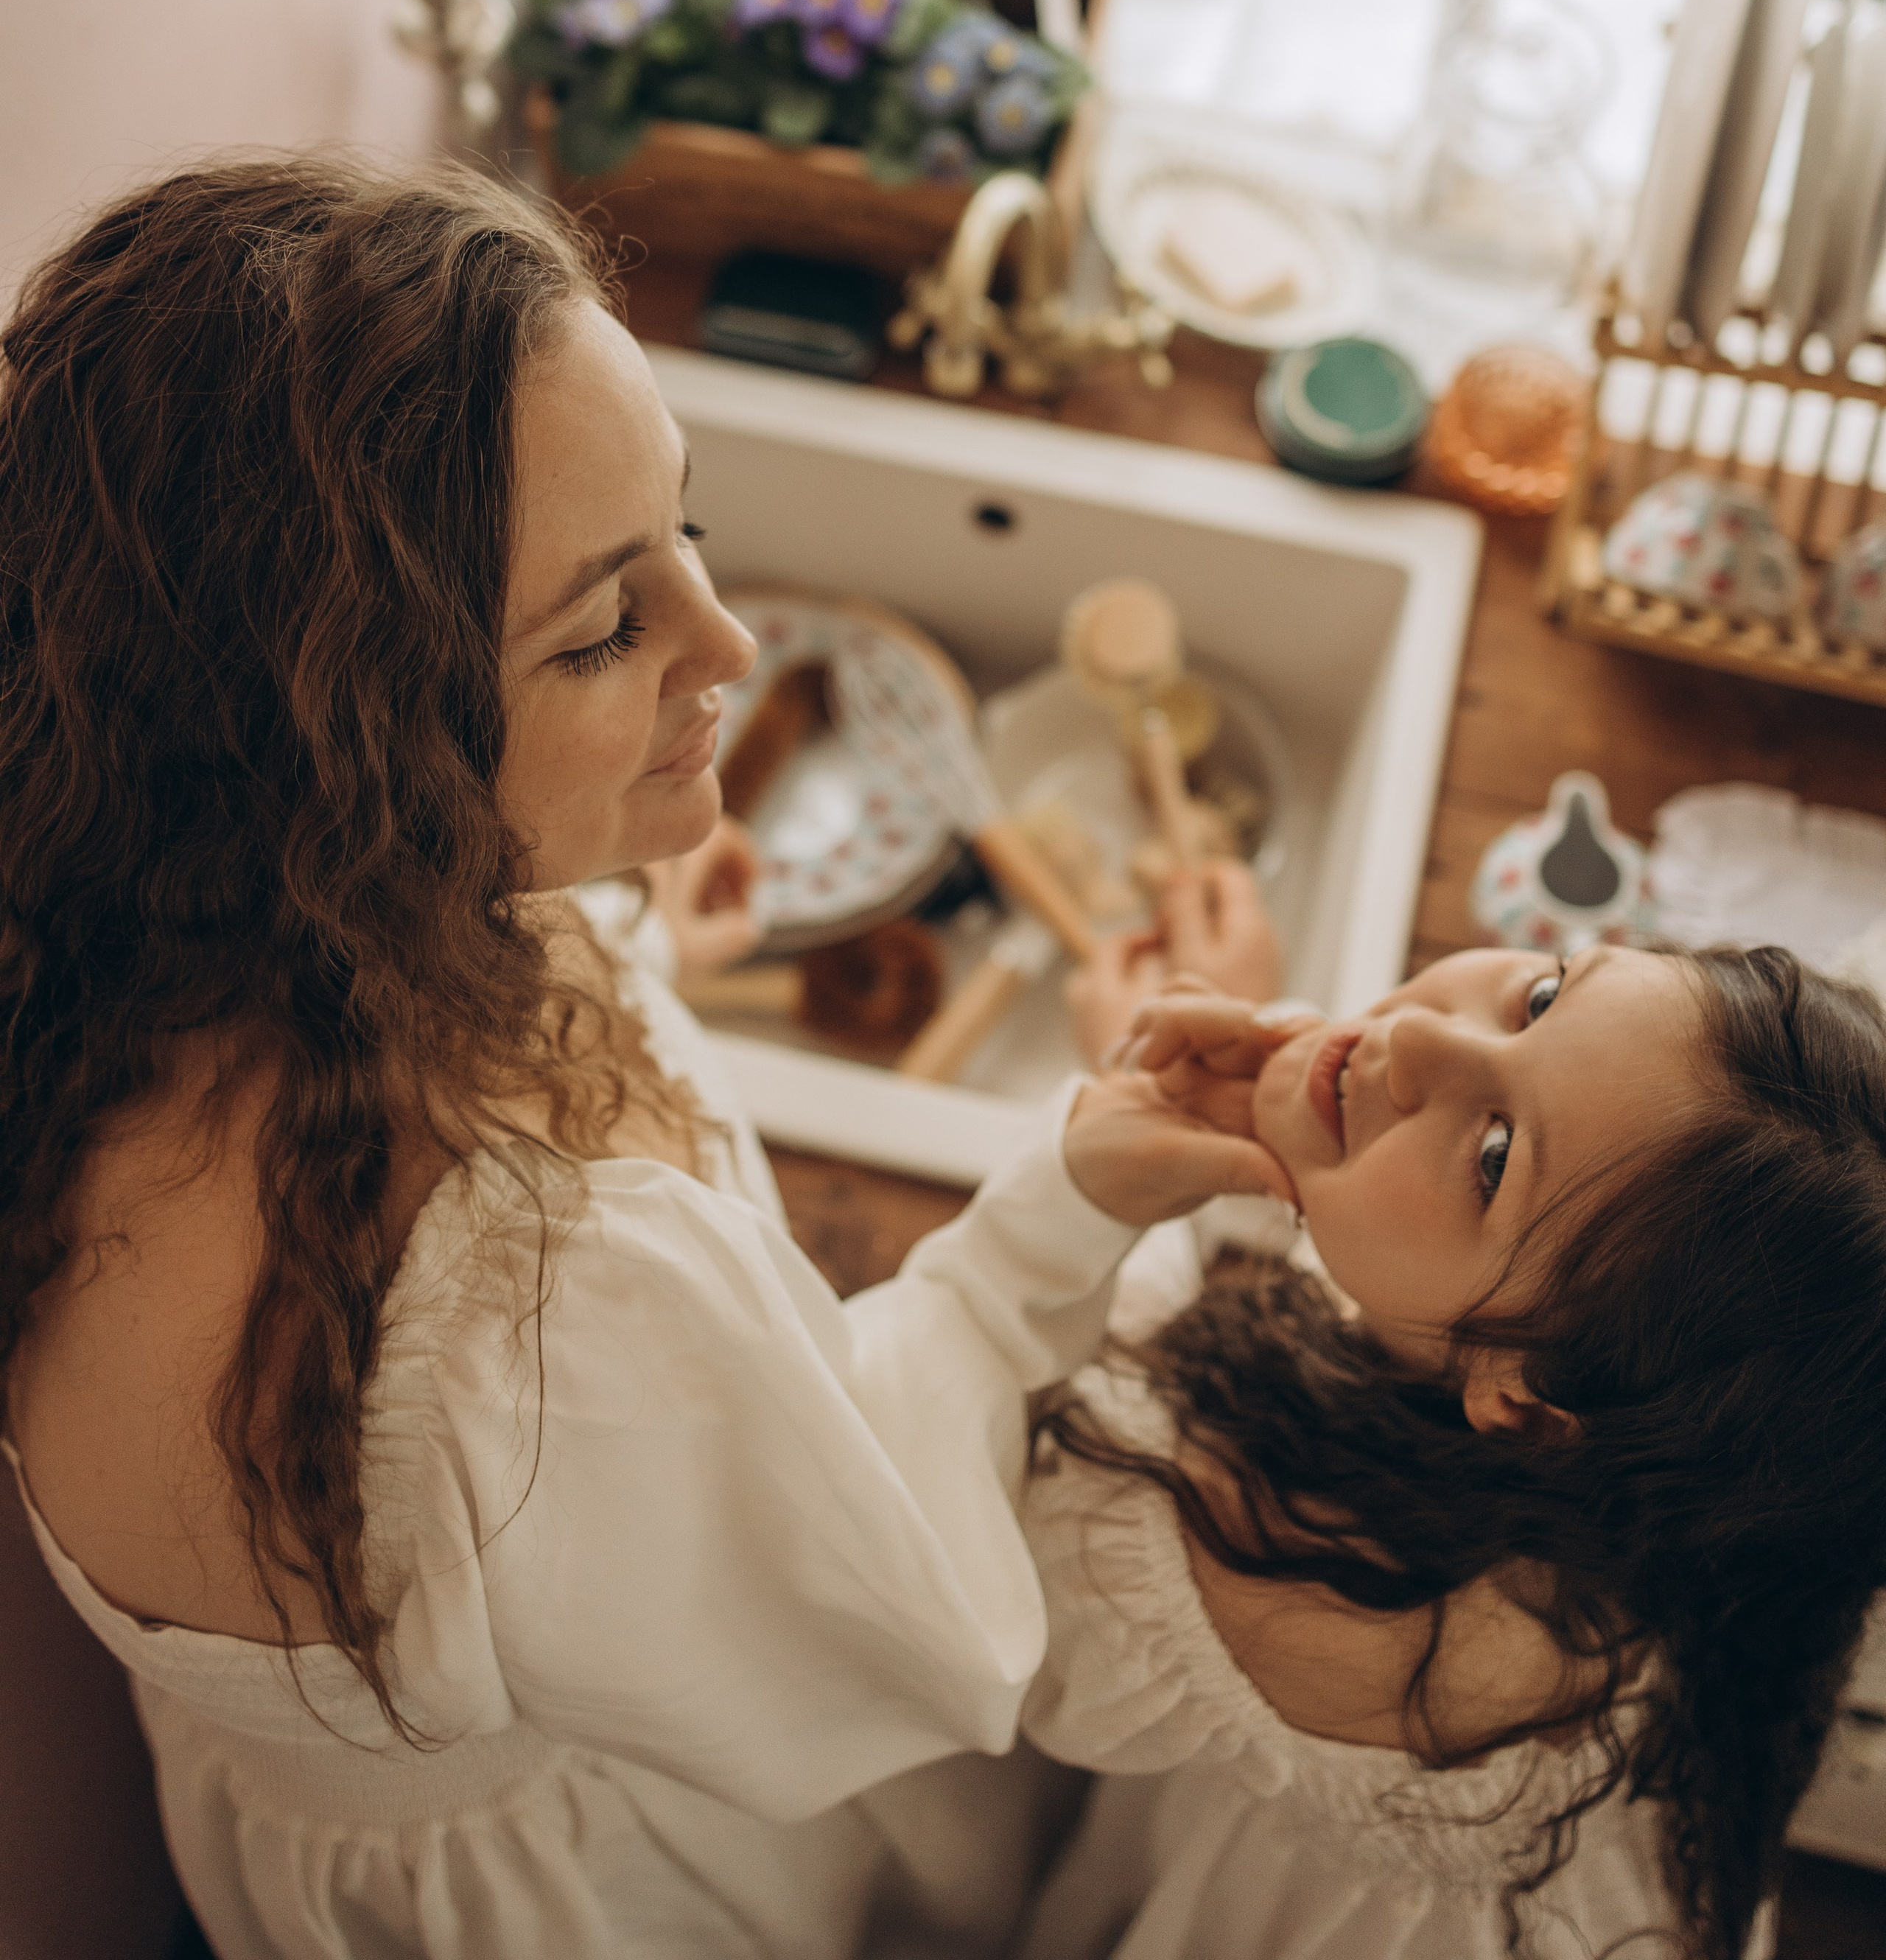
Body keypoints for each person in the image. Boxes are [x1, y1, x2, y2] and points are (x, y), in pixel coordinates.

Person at [0, 156, 1282, 1960]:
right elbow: (900, 1613)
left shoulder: (123, 947)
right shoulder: (537, 1315)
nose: (730, 642)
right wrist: (1065, 1213)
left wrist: (631, 928)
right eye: (605, 625)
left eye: (691, 527)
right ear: (359, 756)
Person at [1008, 940, 1886, 1960]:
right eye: (1544, 996)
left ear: (1526, 1397)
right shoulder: (1695, 1485)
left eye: (1497, 1157)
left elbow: (960, 1481)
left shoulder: (1311, 1589)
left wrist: (1112, 1107)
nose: (1423, 1032)